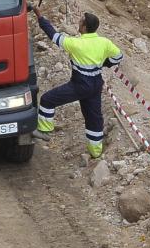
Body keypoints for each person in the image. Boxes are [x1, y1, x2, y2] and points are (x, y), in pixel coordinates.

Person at [32, 8, 122, 159]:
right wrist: (105, 63)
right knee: (94, 117)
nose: (78, 23)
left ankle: (44, 131)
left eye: (81, 21)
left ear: (85, 28)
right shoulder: (104, 42)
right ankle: (95, 151)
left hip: (80, 84)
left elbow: (53, 36)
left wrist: (40, 16)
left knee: (47, 99)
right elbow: (118, 56)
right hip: (96, 84)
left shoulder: (75, 44)